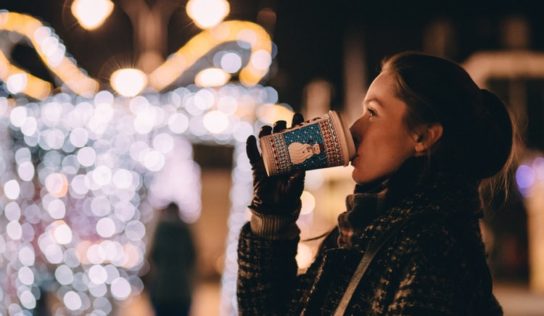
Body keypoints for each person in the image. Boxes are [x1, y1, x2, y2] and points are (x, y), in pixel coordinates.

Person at [237, 52, 513, 315]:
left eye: (373, 112)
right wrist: (273, 218)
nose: (355, 129)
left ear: (423, 137)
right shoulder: (361, 229)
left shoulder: (434, 249)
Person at [145, 202, 197, 316]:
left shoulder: (160, 230)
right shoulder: (184, 230)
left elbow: (153, 255)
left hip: (163, 289)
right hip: (181, 290)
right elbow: (192, 256)